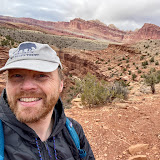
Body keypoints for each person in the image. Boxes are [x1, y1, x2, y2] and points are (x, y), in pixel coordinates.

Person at [0, 42, 95, 160]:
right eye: (17, 75)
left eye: (41, 75)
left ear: (61, 85)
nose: (27, 86)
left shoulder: (73, 131)